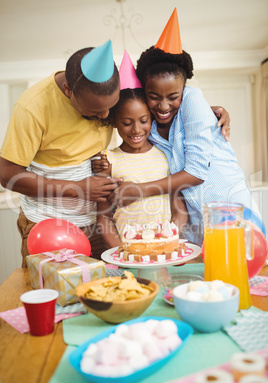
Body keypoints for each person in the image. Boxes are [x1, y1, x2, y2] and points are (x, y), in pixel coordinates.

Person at [95, 9, 264, 246]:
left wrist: (139, 190)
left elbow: (195, 172)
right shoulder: (149, 126)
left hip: (228, 206)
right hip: (195, 220)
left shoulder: (193, 99)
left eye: (173, 96)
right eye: (154, 96)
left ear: (183, 90)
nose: (163, 106)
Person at [0, 40, 123, 266]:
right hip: (46, 225)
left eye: (111, 106)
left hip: (97, 225)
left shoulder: (109, 100)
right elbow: (8, 175)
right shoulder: (32, 107)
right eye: (95, 111)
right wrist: (77, 188)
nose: (106, 115)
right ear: (68, 90)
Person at [97, 51, 188, 248]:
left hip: (164, 249)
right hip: (129, 252)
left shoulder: (166, 155)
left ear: (152, 118)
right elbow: (103, 219)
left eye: (144, 121)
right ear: (114, 122)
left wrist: (167, 241)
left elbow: (180, 211)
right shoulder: (108, 160)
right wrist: (121, 251)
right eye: (127, 123)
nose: (137, 130)